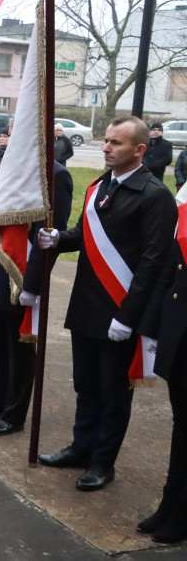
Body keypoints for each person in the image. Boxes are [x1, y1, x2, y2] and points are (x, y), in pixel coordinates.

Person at [37, 116, 177, 491]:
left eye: (116, 143)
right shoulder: (99, 185)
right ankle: (80, 448)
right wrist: (58, 239)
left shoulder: (154, 195)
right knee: (85, 385)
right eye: (107, 141)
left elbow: (153, 262)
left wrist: (128, 317)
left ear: (139, 150)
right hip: (87, 303)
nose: (106, 147)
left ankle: (102, 462)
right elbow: (85, 234)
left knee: (114, 392)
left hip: (120, 311)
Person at [0, 158, 74, 435]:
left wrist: (33, 283)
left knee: (19, 348)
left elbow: (51, 234)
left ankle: (14, 414)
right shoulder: (11, 164)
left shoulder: (56, 175)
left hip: (23, 271)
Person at [137, 196, 187, 543]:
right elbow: (171, 269)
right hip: (181, 332)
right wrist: (153, 325)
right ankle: (171, 503)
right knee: (182, 424)